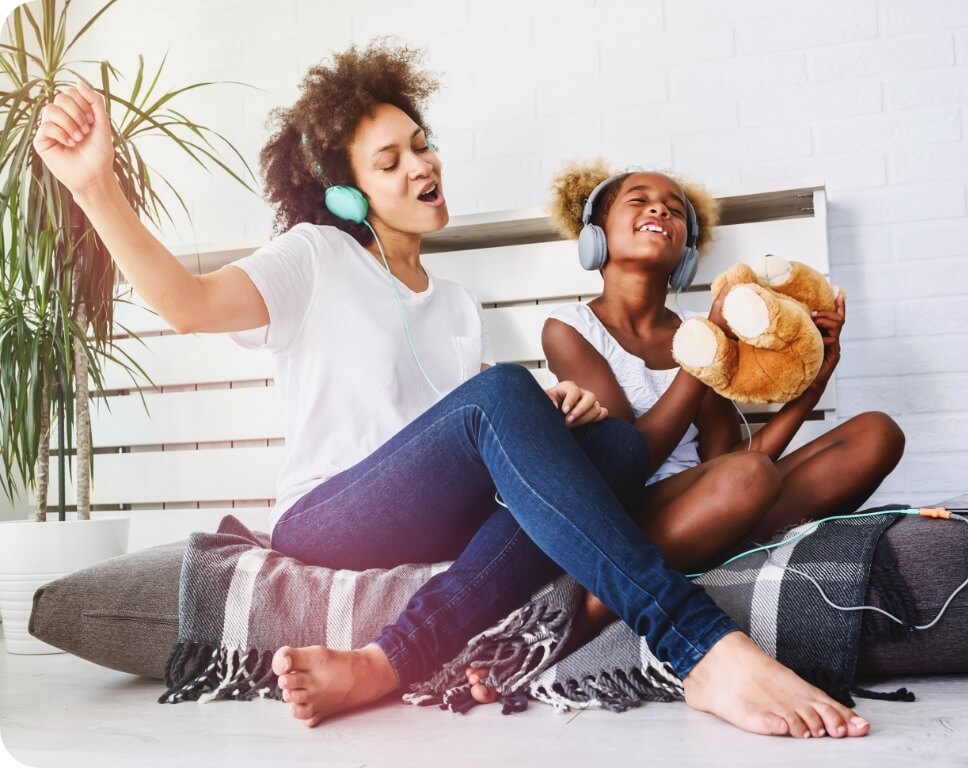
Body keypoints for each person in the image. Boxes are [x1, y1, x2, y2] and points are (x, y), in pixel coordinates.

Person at [34, 40, 871, 739]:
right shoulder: (313, 257)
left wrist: (551, 413)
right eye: (389, 161)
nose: (421, 165)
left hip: (431, 512)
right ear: (346, 192)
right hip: (331, 515)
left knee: (609, 442)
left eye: (421, 143)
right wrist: (94, 186)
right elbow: (186, 305)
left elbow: (467, 426)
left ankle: (389, 662)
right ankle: (698, 644)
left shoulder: (458, 305)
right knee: (506, 394)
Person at [540, 161, 905, 634]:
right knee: (747, 477)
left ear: (686, 254)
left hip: (722, 499)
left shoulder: (702, 327)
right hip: (633, 515)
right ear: (597, 236)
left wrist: (811, 387)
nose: (660, 209)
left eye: (675, 210)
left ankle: (706, 546)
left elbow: (732, 458)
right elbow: (628, 461)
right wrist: (707, 348)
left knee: (876, 433)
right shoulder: (569, 329)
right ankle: (603, 599)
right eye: (640, 200)